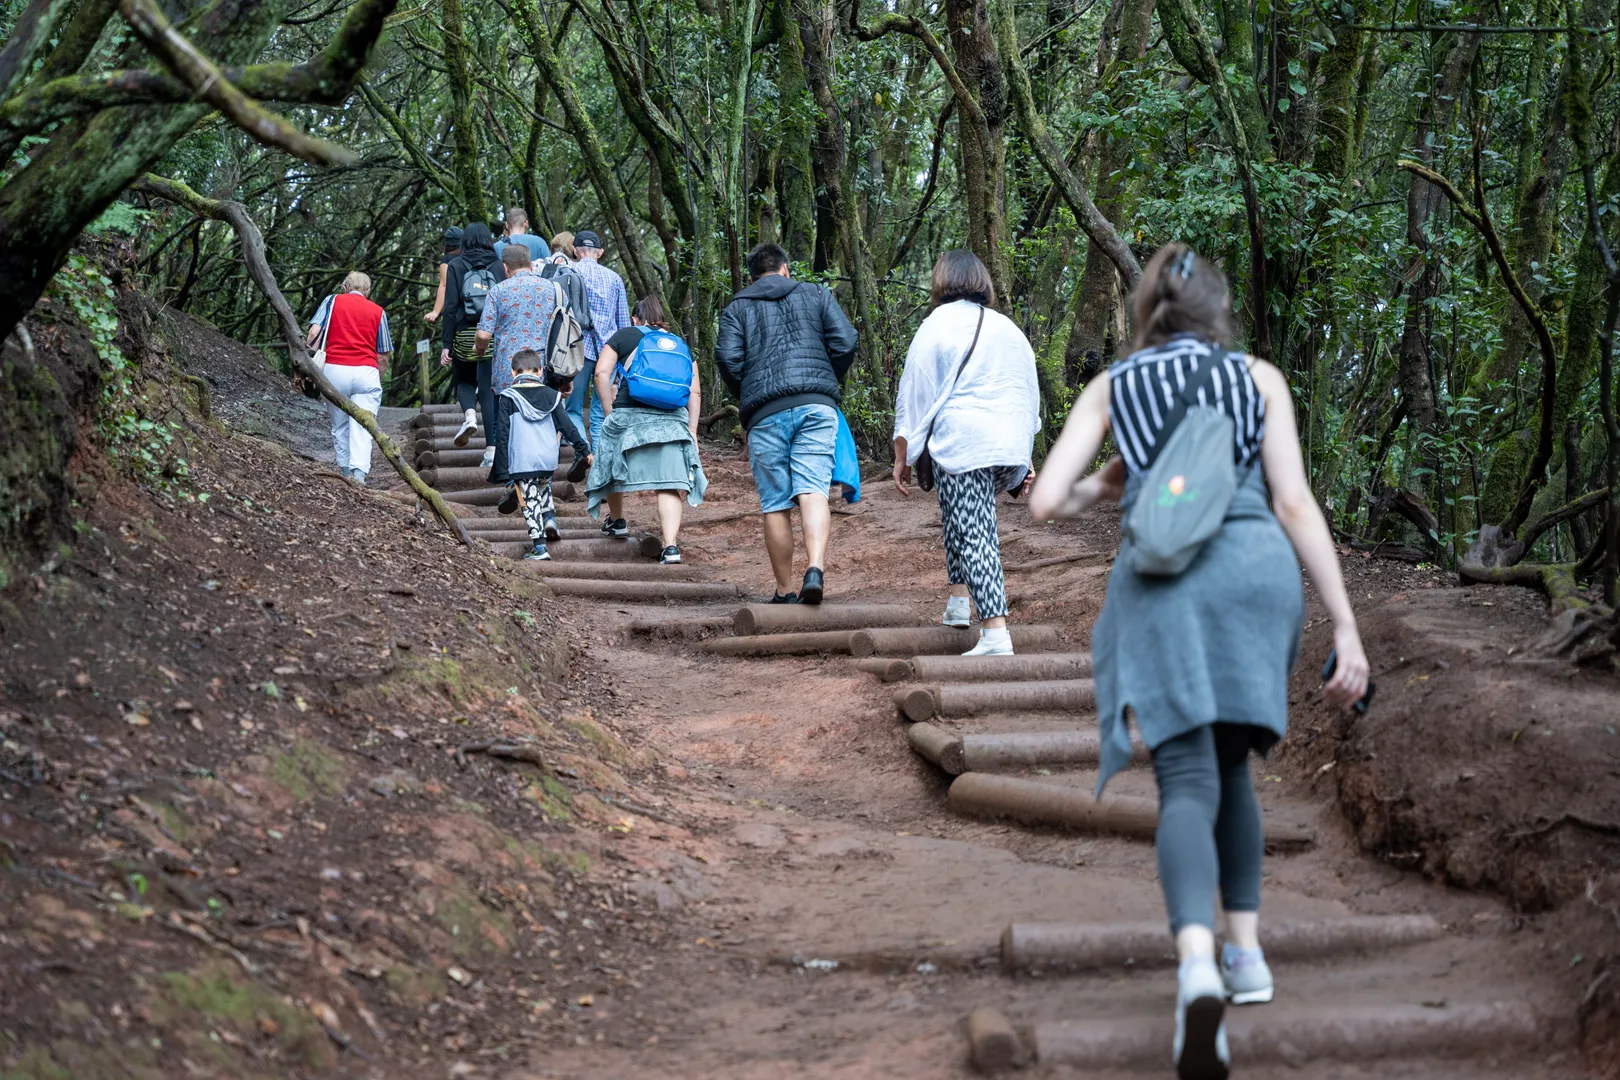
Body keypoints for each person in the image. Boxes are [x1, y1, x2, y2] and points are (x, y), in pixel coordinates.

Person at [1028, 243, 1371, 1080]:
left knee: (1185, 778)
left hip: (1164, 584)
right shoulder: (1258, 379)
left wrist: (1115, 486)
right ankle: (1247, 956)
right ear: (1218, 310)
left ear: (1143, 314)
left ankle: (1193, 965)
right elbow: (1292, 500)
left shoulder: (1115, 387)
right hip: (1256, 577)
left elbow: (1043, 500)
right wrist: (1347, 626)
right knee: (1234, 770)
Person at [892, 250, 1039, 656]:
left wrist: (902, 451)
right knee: (962, 514)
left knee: (975, 530)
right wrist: (1025, 453)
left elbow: (915, 391)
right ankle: (959, 603)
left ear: (941, 281)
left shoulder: (936, 325)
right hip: (1005, 441)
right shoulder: (1008, 328)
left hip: (964, 439)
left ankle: (995, 633)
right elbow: (1026, 390)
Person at [716, 242, 858, 605]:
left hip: (765, 412)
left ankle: (783, 590)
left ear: (753, 276)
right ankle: (815, 568)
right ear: (785, 269)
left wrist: (749, 391)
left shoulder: (737, 307)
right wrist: (825, 380)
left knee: (776, 503)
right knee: (812, 490)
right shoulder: (817, 294)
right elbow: (845, 342)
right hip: (816, 405)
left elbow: (728, 359)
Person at [586, 295, 707, 563]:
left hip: (629, 414)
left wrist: (610, 413)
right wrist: (692, 430)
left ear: (635, 318)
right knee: (669, 483)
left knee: (611, 466)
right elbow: (694, 392)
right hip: (671, 421)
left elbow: (601, 374)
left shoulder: (625, 335)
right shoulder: (680, 344)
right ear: (660, 318)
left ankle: (617, 521)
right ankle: (671, 547)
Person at [489, 349, 591, 561]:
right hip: (547, 456)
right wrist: (584, 449)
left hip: (522, 459)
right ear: (540, 371)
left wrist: (502, 469)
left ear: (513, 372)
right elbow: (567, 425)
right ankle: (550, 518)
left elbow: (503, 434)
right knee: (544, 487)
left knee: (529, 499)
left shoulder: (508, 397)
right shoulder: (552, 396)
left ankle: (539, 546)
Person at [474, 243, 562, 469]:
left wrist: (480, 349)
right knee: (544, 421)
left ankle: (510, 475)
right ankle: (543, 472)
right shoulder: (552, 288)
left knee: (506, 423)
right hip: (543, 368)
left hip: (508, 371)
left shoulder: (498, 290)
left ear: (505, 267)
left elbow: (483, 334)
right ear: (532, 264)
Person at [306, 271, 393, 486]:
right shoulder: (378, 312)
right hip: (366, 371)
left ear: (345, 287)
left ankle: (345, 471)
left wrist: (309, 363)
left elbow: (313, 333)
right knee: (364, 425)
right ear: (368, 291)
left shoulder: (332, 301)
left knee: (340, 424)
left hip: (335, 371)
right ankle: (359, 475)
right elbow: (383, 354)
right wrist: (377, 377)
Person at [567, 229, 631, 448]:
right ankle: (600, 458)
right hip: (609, 353)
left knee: (573, 408)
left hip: (576, 351)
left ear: (574, 250)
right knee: (600, 410)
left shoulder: (568, 273)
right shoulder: (614, 279)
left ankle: (583, 451)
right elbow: (624, 324)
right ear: (600, 252)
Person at [439, 222, 500, 452]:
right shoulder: (497, 265)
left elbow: (451, 306)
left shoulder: (456, 264)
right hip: (490, 333)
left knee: (463, 379)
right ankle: (492, 449)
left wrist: (447, 344)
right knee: (487, 387)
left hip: (464, 331)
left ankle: (470, 416)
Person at [425, 226, 461, 324]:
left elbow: (444, 284)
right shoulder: (470, 258)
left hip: (453, 308)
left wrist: (436, 311)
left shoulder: (447, 259)